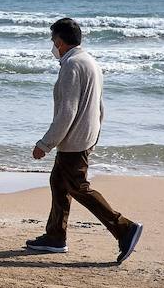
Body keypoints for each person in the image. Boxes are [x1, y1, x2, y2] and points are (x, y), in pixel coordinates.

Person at [27, 17, 143, 263]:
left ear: (59, 41)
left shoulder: (72, 66)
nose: (51, 45)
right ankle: (55, 237)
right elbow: (100, 106)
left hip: (75, 139)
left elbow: (67, 111)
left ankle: (124, 228)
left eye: (52, 40)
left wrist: (45, 144)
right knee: (59, 182)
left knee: (78, 187)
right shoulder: (90, 61)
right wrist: (93, 133)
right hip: (84, 135)